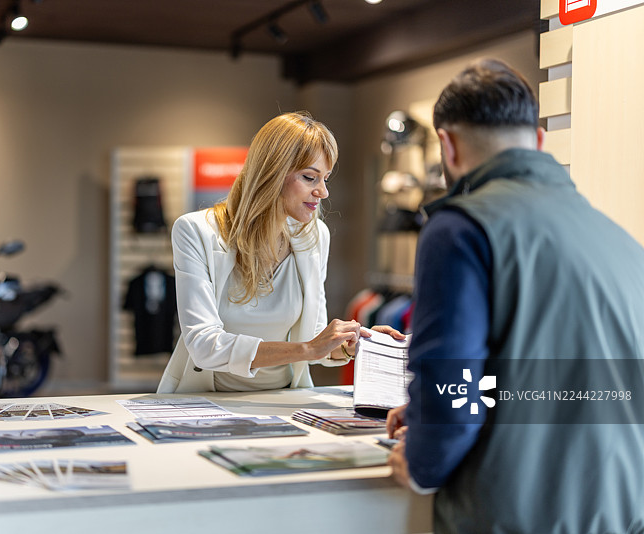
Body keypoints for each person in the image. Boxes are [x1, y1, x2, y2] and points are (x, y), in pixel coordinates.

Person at [386, 59, 644, 533]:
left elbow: (449, 381)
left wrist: (423, 461)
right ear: (540, 142)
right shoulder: (621, 240)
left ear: (448, 145)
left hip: (517, 513)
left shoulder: (460, 227)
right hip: (622, 508)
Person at [158, 111, 403, 393]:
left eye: (326, 179)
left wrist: (349, 344)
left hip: (284, 401)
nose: (322, 192)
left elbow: (312, 337)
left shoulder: (315, 235)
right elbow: (203, 344)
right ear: (271, 174)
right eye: (310, 177)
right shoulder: (195, 231)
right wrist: (307, 348)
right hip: (208, 403)